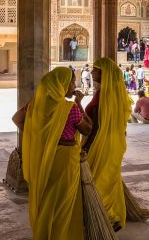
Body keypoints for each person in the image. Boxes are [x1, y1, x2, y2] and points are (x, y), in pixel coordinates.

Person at [12, 67, 92, 240]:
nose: (73, 85)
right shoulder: (70, 108)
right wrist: (79, 103)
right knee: (63, 202)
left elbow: (17, 118)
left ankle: (43, 234)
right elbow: (87, 129)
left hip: (45, 156)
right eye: (71, 82)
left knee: (47, 199)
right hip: (65, 159)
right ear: (62, 84)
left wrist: (40, 136)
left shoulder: (37, 104)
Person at [83, 58, 132, 231]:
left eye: (95, 70)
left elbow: (95, 125)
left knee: (100, 180)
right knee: (109, 178)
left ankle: (106, 216)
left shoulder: (104, 95)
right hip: (113, 142)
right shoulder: (113, 93)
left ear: (104, 73)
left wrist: (76, 107)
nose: (92, 72)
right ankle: (114, 215)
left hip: (101, 142)